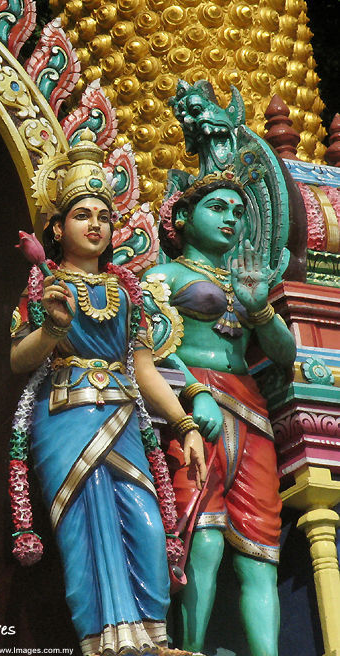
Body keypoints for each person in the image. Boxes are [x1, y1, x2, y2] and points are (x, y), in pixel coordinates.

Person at [9, 135, 206, 655]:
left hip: (123, 417)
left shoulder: (129, 293)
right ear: (57, 227)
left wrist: (184, 425)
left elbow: (144, 368)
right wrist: (52, 329)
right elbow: (17, 360)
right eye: (81, 215)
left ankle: (154, 640)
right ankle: (104, 645)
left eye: (103, 215)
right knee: (83, 536)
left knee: (143, 526)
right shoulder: (44, 287)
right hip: (65, 420)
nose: (95, 224)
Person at [151, 170, 296, 656]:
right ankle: (189, 648)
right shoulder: (165, 275)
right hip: (194, 407)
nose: (231, 218)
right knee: (205, 538)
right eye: (217, 207)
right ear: (183, 217)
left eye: (238, 211)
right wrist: (194, 394)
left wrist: (258, 308)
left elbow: (284, 352)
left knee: (261, 553)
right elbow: (143, 345)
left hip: (250, 409)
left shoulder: (246, 279)